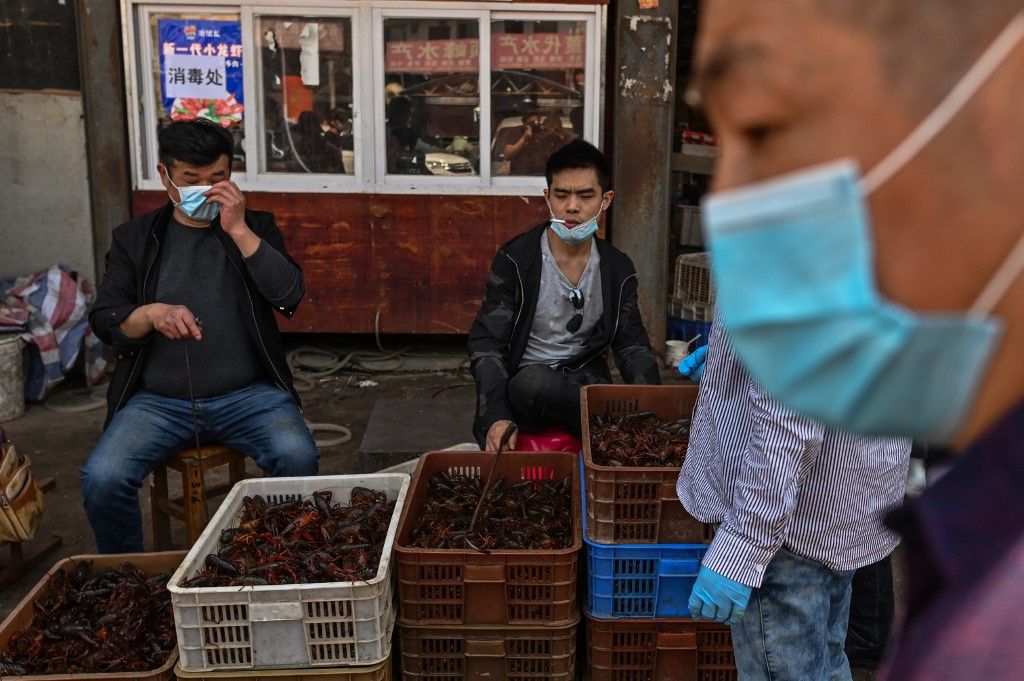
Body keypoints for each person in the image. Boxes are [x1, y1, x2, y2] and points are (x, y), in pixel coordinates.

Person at [690, 2, 1024, 678]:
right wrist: (729, 352)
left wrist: (742, 547)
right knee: (827, 656)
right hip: (846, 505)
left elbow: (792, 414)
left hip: (789, 526)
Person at [83, 119, 318, 554]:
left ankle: (283, 563)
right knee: (104, 477)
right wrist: (150, 314)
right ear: (165, 175)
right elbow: (106, 321)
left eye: (217, 178)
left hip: (249, 394)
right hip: (158, 402)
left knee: (297, 458)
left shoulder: (255, 226)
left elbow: (290, 296)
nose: (204, 189)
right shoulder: (135, 239)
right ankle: (129, 578)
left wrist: (239, 229)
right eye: (191, 179)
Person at [677, 322, 910, 680]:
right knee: (827, 664)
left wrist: (745, 542)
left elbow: (787, 421)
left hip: (791, 527)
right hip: (846, 497)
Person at [468, 139, 660, 451]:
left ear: (605, 200)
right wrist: (496, 416)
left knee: (603, 396)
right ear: (547, 197)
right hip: (527, 392)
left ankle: (609, 428)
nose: (572, 206)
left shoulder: (616, 269)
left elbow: (632, 347)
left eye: (586, 196)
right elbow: (488, 344)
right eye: (561, 194)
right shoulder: (517, 260)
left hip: (587, 386)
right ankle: (608, 426)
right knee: (534, 383)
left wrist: (655, 408)